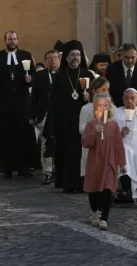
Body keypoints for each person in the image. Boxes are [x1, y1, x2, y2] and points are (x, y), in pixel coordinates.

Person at [0, 30, 36, 178]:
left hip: (22, 102)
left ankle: (23, 166)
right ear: (5, 41)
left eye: (14, 39)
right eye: (9, 39)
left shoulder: (26, 56)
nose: (12, 41)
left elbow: (35, 76)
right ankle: (6, 167)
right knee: (4, 135)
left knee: (22, 134)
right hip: (2, 102)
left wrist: (31, 80)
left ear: (17, 40)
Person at [49, 40, 94, 193]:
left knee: (82, 153)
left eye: (78, 55)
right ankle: (68, 184)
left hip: (84, 122)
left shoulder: (88, 75)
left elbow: (97, 98)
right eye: (72, 55)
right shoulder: (60, 76)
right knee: (67, 153)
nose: (75, 58)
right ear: (67, 57)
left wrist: (89, 96)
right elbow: (54, 101)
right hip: (65, 121)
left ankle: (83, 183)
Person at [82, 94, 126, 230]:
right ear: (95, 108)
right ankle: (95, 212)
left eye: (105, 105)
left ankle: (104, 218)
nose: (102, 108)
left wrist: (122, 163)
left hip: (109, 161)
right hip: (95, 161)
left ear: (110, 107)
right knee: (94, 190)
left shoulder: (113, 126)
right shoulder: (91, 125)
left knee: (107, 189)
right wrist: (93, 133)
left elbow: (119, 145)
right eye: (99, 105)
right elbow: (85, 143)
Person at [29, 49, 60, 184]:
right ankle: (47, 172)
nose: (52, 60)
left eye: (54, 58)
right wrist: (31, 115)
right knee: (45, 144)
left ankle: (58, 171)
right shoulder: (39, 76)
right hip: (43, 114)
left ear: (59, 59)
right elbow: (33, 97)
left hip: (60, 114)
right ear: (46, 61)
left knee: (59, 143)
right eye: (49, 58)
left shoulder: (64, 75)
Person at [79, 77, 116, 179]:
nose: (106, 92)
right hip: (92, 145)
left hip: (107, 145)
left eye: (107, 90)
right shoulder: (86, 108)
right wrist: (93, 128)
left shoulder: (112, 108)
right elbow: (81, 128)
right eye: (103, 89)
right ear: (94, 91)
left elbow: (115, 126)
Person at [106, 43, 137, 108]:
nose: (130, 61)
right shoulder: (112, 69)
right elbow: (108, 91)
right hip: (117, 110)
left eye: (132, 57)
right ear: (122, 55)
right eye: (127, 57)